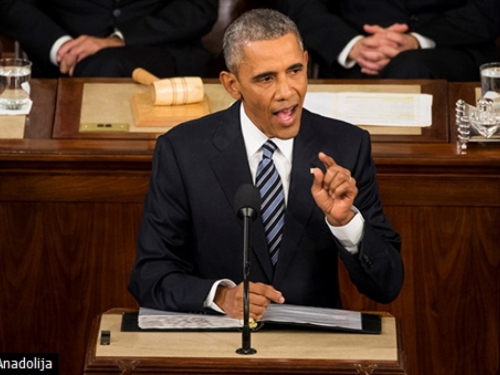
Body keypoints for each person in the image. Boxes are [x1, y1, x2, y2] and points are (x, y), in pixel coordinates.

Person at [128, 9, 403, 320]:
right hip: (219, 347)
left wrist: (346, 223)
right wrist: (219, 296)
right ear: (232, 85)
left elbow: (388, 284)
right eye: (266, 78)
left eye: (295, 71)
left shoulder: (346, 146)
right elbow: (149, 276)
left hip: (312, 349)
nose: (286, 91)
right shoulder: (182, 151)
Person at [279, 0, 500, 81]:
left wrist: (416, 40)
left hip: (452, 50)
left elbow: (490, 8)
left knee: (410, 68)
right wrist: (353, 46)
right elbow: (301, 5)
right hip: (351, 57)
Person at [0, 0, 218, 78]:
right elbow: (12, 5)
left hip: (161, 53)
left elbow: (200, 9)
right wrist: (63, 47)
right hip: (62, 65)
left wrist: (118, 40)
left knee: (108, 64)